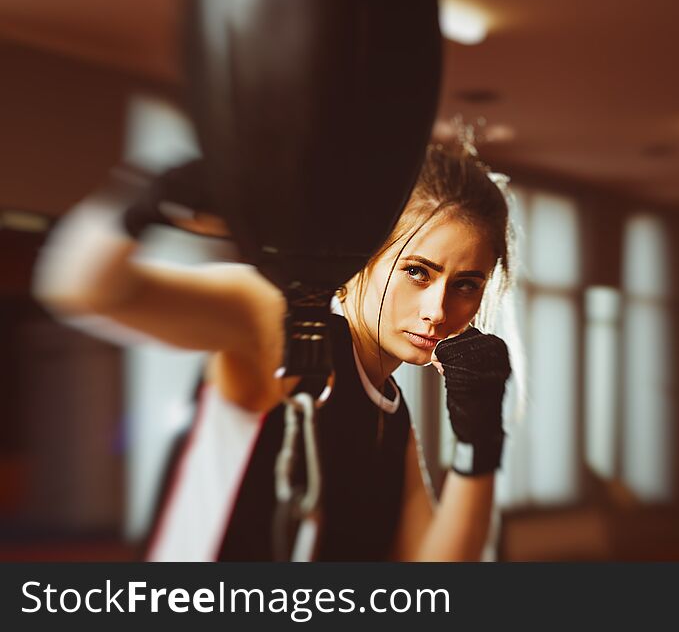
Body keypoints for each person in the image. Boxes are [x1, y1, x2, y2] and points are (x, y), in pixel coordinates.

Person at [32, 143, 518, 561]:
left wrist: (480, 440)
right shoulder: (279, 322)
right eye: (417, 271)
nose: (438, 309)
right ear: (361, 256)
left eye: (466, 284)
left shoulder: (390, 413)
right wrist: (145, 203)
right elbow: (83, 291)